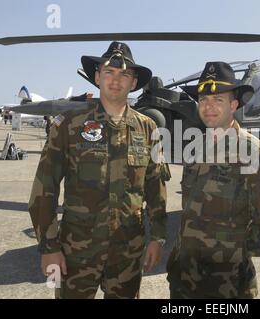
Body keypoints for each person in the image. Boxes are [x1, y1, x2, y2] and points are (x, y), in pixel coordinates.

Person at [29, 42, 169, 299]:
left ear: (134, 82)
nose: (116, 80)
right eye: (109, 72)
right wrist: (48, 246)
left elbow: (156, 187)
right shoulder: (69, 126)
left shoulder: (148, 129)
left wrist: (157, 237)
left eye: (124, 74)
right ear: (97, 76)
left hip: (128, 253)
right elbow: (44, 189)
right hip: (76, 252)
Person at [166, 62, 260, 299]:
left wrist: (239, 252)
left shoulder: (253, 153)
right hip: (184, 276)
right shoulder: (196, 147)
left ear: (234, 105)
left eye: (218, 100)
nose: (208, 106)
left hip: (227, 284)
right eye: (203, 100)